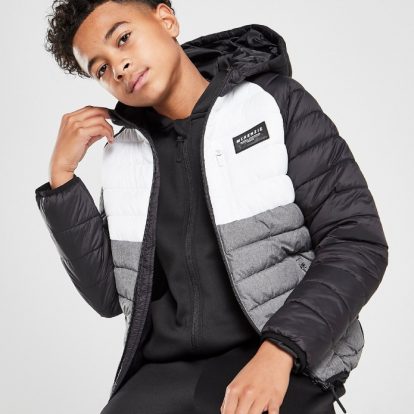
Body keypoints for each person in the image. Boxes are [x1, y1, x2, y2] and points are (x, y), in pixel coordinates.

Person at [35, 1, 389, 413]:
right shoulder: (124, 152)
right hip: (163, 371)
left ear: (166, 19)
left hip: (279, 354)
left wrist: (280, 352)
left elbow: (356, 242)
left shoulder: (272, 102)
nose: (119, 67)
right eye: (100, 68)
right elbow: (109, 297)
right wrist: (62, 178)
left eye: (124, 38)